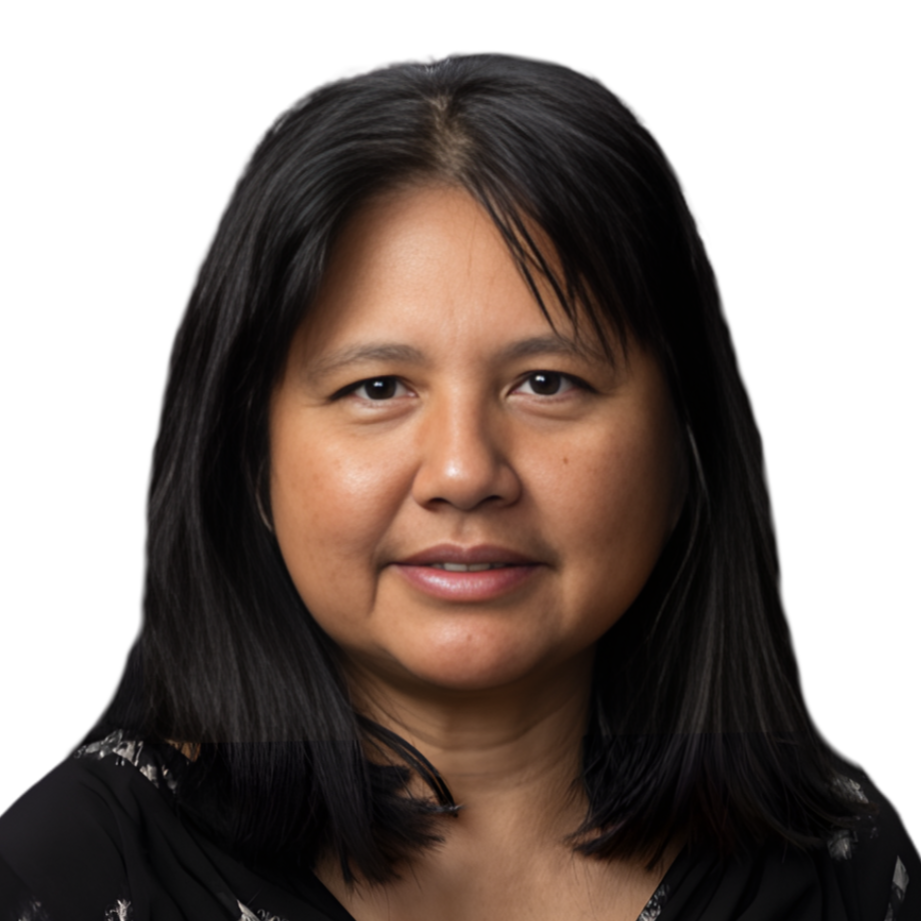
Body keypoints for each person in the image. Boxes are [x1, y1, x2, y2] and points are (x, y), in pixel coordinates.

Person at [0, 53, 916, 921]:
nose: (463, 472)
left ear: (685, 447)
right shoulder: (69, 878)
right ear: (248, 458)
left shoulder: (841, 868)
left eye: (546, 382)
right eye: (377, 388)